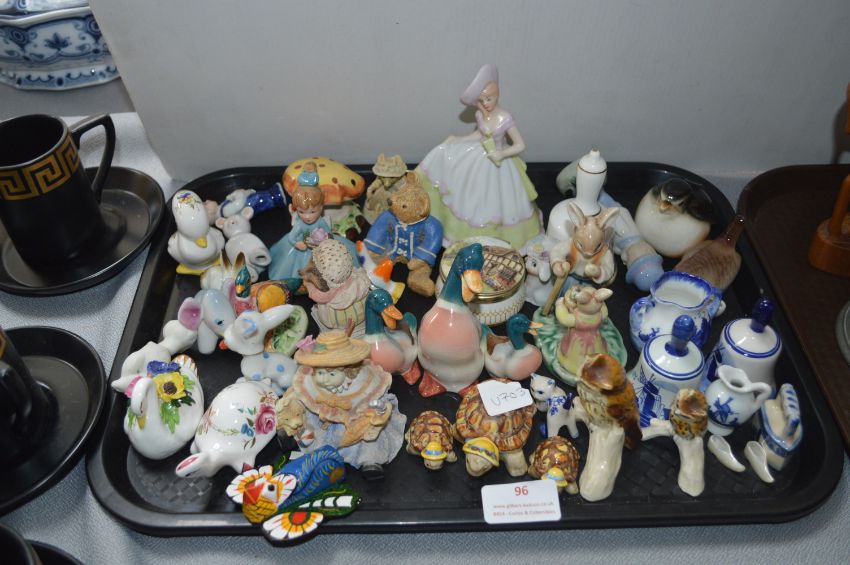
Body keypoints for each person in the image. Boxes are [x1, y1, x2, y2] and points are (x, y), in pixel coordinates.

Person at [416, 64, 542, 251]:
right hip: (480, 156)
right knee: (466, 189)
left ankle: (501, 239)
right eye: (481, 100)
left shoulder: (504, 118)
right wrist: (458, 139)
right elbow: (480, 135)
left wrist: (501, 153)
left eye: (489, 99)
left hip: (500, 163)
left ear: (497, 95)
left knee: (499, 202)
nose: (486, 104)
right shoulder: (481, 114)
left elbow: (520, 145)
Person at [268, 162, 332, 280]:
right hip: (300, 252)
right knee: (291, 270)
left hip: (317, 252)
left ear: (321, 208)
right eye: (301, 212)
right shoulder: (300, 225)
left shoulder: (321, 222)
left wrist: (323, 241)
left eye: (312, 212)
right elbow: (291, 237)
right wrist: (297, 243)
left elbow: (328, 233)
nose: (307, 217)